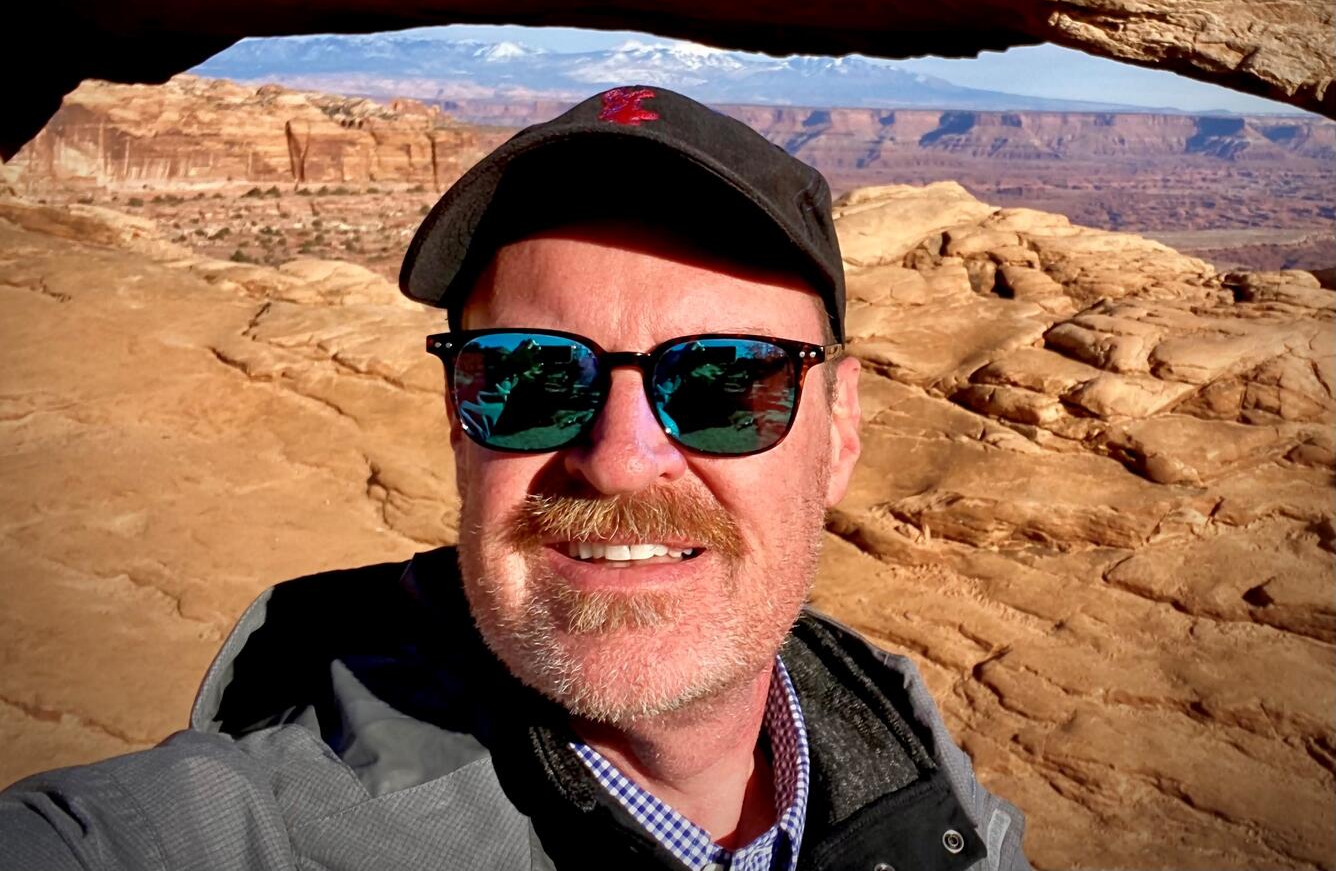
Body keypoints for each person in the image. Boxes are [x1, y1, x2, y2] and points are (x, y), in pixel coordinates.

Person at [1, 85, 1031, 870]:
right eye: (533, 376)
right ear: (460, 421)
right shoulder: (255, 824)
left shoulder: (932, 785)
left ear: (838, 430)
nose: (619, 455)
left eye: (724, 381)